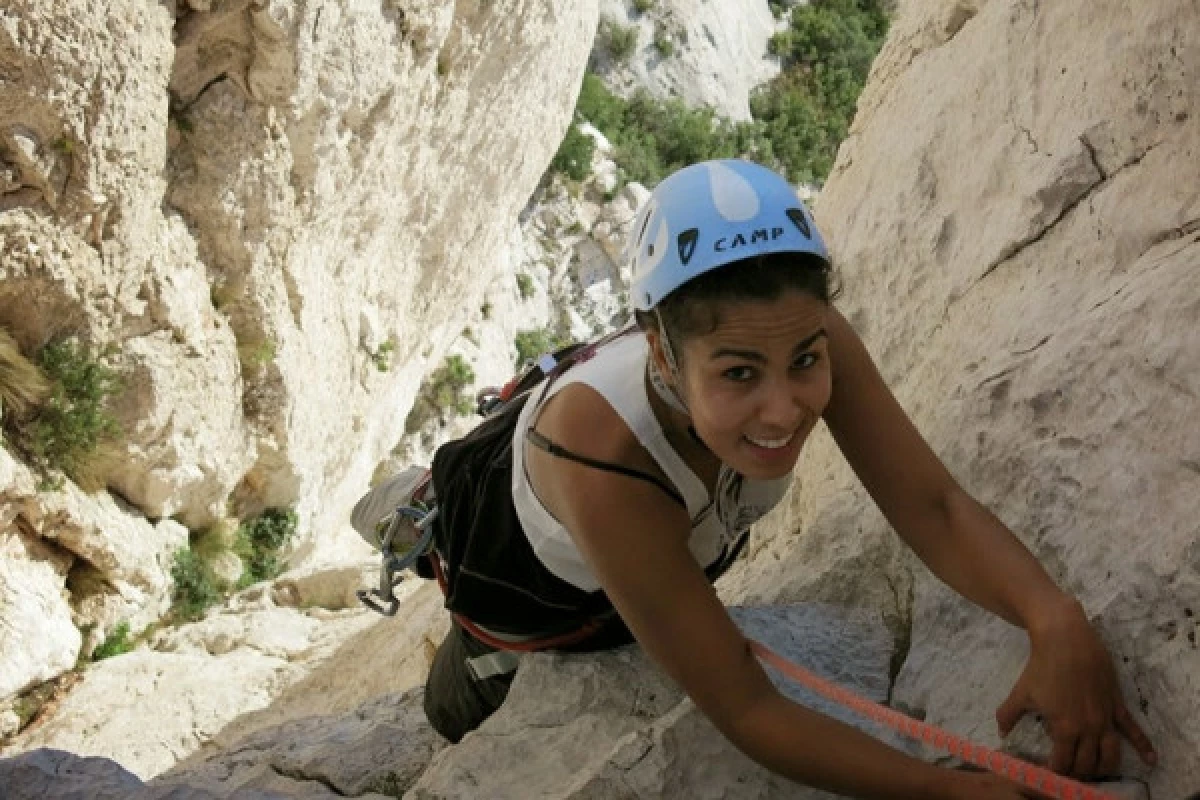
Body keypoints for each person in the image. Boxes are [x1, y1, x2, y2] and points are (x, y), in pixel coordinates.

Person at [413, 160, 1157, 798]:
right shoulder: (602, 458)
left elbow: (935, 508)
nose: (784, 408)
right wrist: (948, 788)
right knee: (451, 707)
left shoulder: (799, 330)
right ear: (663, 357)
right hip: (527, 608)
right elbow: (746, 708)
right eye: (739, 372)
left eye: (803, 361)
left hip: (667, 549)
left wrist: (1054, 620)